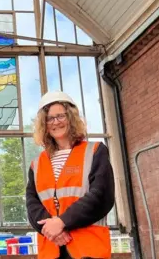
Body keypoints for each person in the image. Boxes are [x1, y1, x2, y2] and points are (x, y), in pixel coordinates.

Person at [25, 91, 115, 259]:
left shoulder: (95, 151)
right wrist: (54, 232)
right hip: (52, 248)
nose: (55, 122)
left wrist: (62, 222)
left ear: (71, 117)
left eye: (60, 116)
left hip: (88, 249)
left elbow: (101, 195)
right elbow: (32, 205)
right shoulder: (36, 164)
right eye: (50, 118)